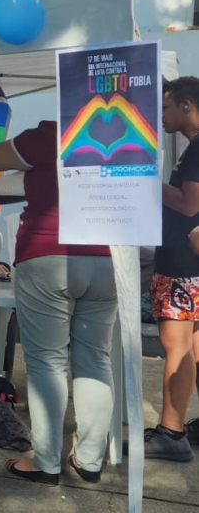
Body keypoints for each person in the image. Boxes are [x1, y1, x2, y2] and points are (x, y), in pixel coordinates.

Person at [0, 120, 117, 485]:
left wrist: (31, 166)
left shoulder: (53, 133)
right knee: (96, 360)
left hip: (47, 253)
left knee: (48, 363)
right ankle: (89, 461)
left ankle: (46, 462)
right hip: (107, 257)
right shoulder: (124, 135)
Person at [146, 76, 199, 461]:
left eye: (165, 107)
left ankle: (171, 433)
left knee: (176, 346)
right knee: (193, 344)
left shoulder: (196, 148)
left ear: (185, 105)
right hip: (188, 263)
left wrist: (144, 181)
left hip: (182, 266)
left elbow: (188, 203)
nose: (160, 115)